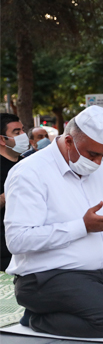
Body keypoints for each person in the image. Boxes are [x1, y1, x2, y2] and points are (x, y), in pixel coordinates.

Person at [5, 106, 103, 338]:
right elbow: (18, 240)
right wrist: (82, 227)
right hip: (47, 275)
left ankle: (85, 303)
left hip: (100, 270)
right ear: (69, 141)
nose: (98, 163)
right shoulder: (30, 172)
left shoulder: (95, 167)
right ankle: (36, 317)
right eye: (92, 154)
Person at [1, 113, 29, 270]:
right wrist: (10, 193)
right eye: (17, 132)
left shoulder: (28, 164)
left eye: (23, 130)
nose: (23, 135)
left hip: (28, 246)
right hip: (4, 252)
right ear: (2, 139)